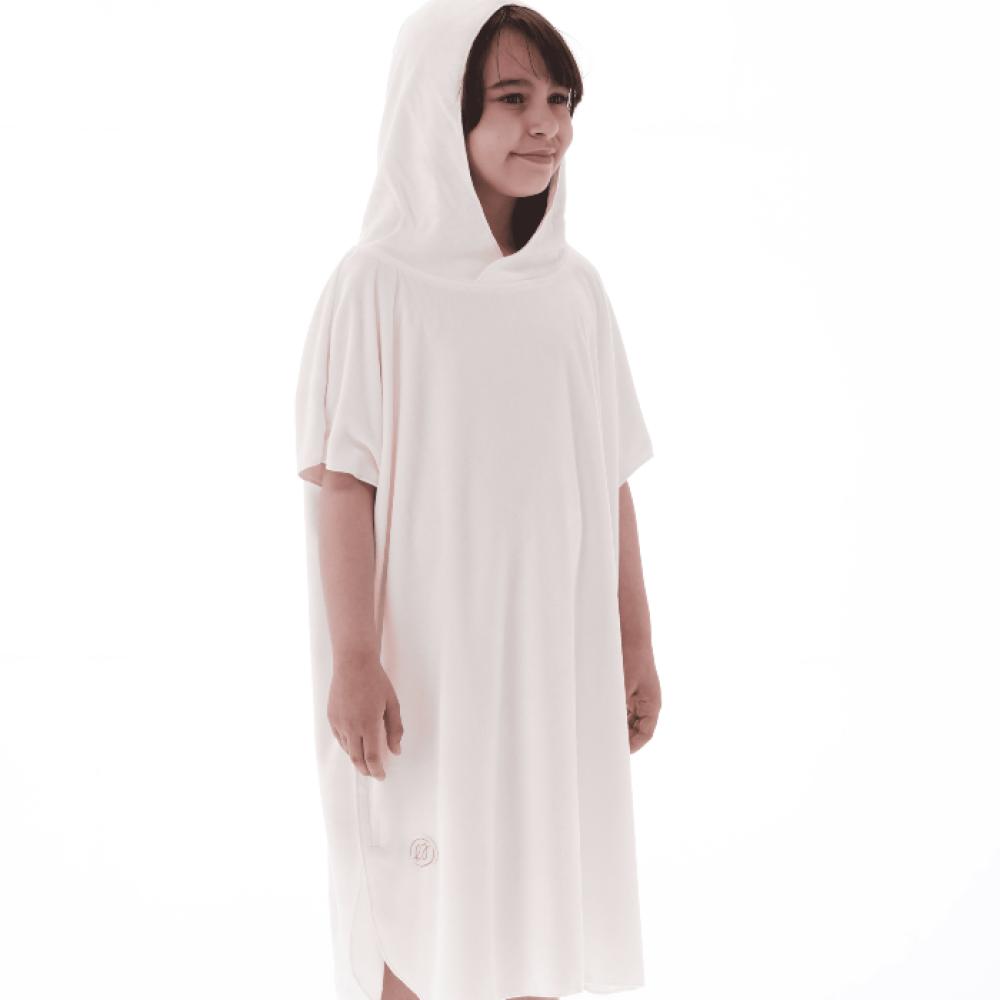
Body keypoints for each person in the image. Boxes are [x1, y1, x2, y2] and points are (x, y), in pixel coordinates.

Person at [294, 2, 662, 998]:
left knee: (542, 900)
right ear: (438, 110)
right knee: (414, 893)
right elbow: (343, 483)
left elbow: (610, 480)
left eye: (560, 99)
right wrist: (356, 657)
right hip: (426, 674)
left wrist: (633, 642)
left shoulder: (575, 293)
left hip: (551, 666)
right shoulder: (376, 287)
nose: (546, 124)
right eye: (512, 98)